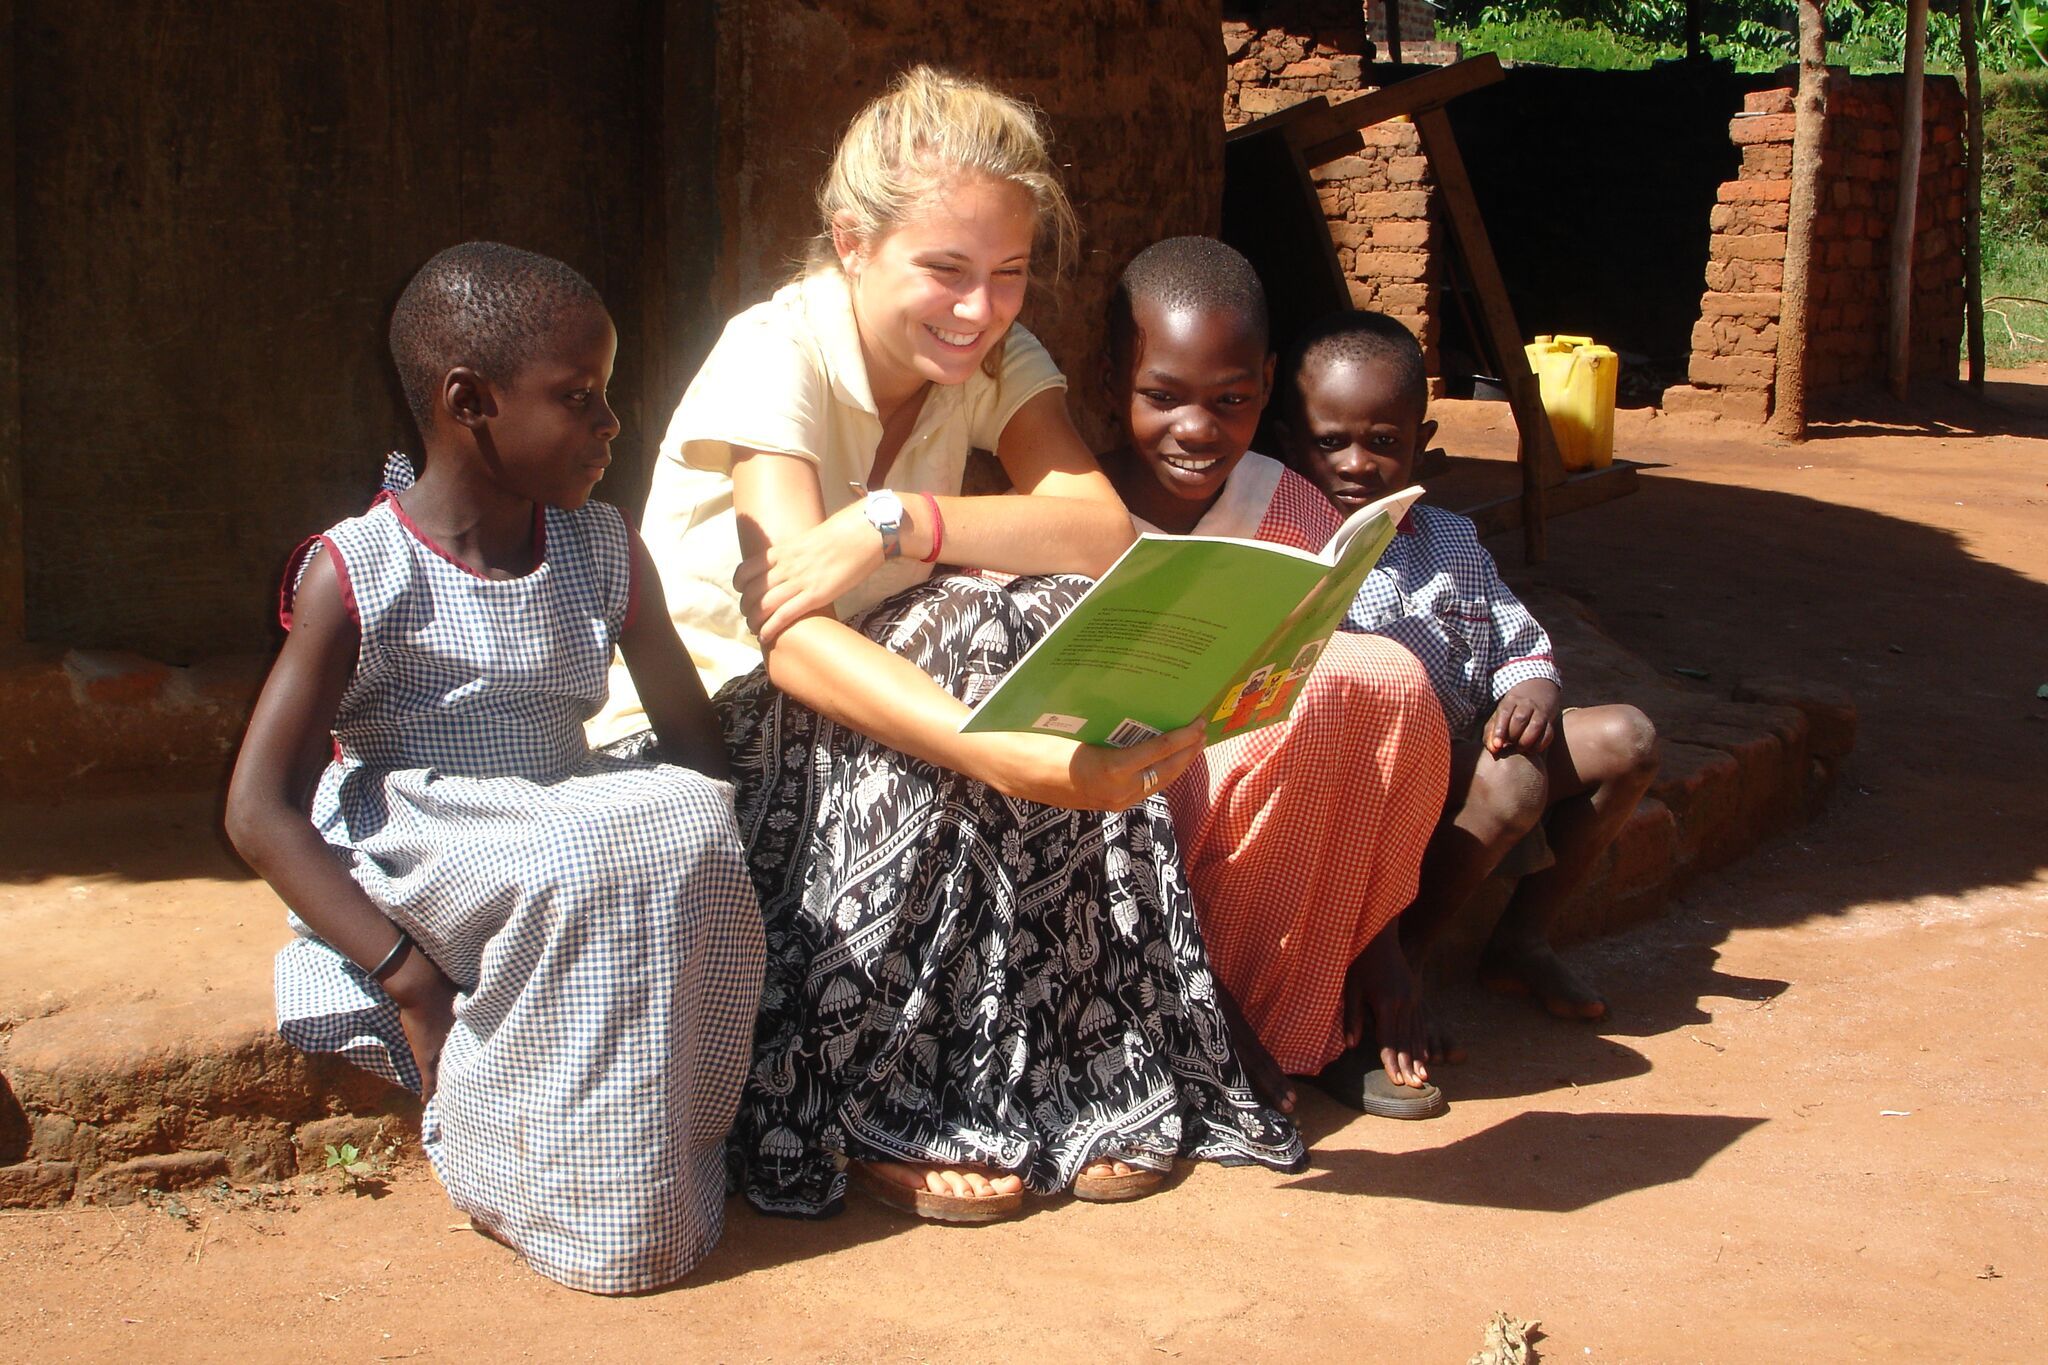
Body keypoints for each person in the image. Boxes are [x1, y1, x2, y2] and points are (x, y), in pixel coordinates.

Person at [591, 68, 1302, 1222]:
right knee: (978, 631)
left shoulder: (982, 357)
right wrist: (990, 749)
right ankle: (871, 1097)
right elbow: (795, 646)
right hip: (708, 739)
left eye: (1008, 273)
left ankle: (1078, 1073)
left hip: (881, 706)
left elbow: (1095, 529)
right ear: (851, 243)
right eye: (945, 270)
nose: (978, 309)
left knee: (1036, 617)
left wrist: (901, 517)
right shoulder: (774, 355)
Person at [224, 242, 767, 1295]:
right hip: (428, 828)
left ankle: (647, 1175)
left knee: (682, 824)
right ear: (467, 401)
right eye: (579, 398)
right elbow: (258, 811)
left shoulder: (603, 548)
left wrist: (709, 848)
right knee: (607, 839)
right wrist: (407, 978)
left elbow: (695, 750)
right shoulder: (359, 571)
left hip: (559, 812)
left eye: (607, 395)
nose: (611, 425)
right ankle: (509, 1155)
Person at [1095, 236, 1454, 1120]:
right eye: (1163, 397)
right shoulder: (1076, 504)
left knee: (1384, 678)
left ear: (1266, 383)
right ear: (1115, 382)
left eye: (1233, 400)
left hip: (1259, 765)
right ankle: (1207, 1017)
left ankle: (1312, 1014)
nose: (1199, 428)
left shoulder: (1281, 497)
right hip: (1133, 778)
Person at [1273, 309, 1660, 1024]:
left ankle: (1520, 938)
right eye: (1332, 443)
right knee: (1513, 785)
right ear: (1290, 443)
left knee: (1628, 738)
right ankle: (1397, 963)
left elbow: (1519, 642)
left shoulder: (1449, 541)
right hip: (1377, 774)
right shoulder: (1285, 549)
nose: (1358, 463)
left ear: (1420, 444)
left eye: (1384, 442)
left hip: (1470, 745)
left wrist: (1533, 689)